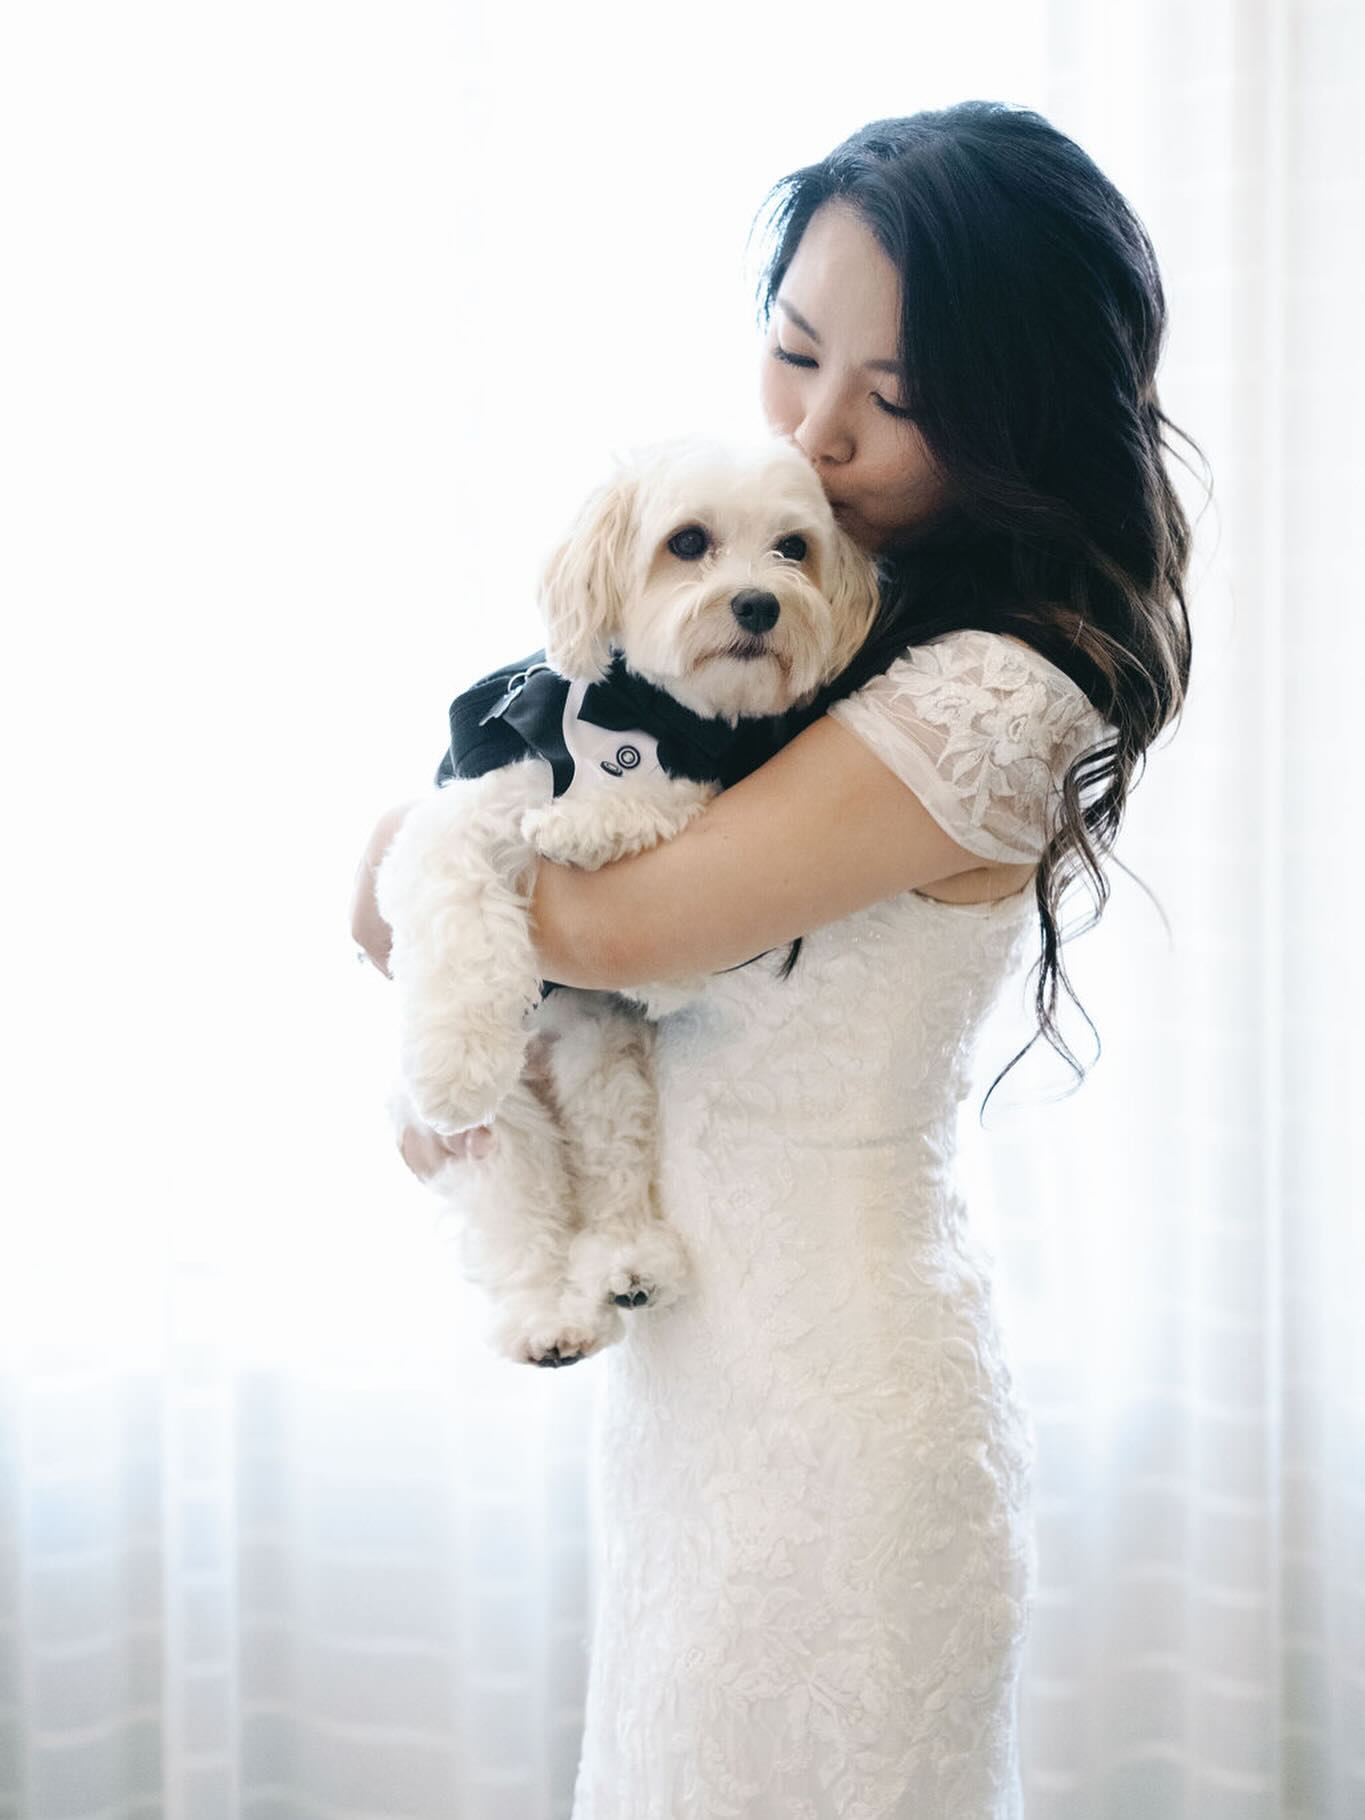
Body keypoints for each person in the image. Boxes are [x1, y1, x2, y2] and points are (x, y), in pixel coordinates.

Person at [351, 102, 1195, 1818]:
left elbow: (611, 923)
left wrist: (404, 851)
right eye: (795, 352)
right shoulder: (815, 625)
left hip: (833, 1409)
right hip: (697, 1381)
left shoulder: (989, 691)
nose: (813, 435)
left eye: (892, 400)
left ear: (1017, 410)